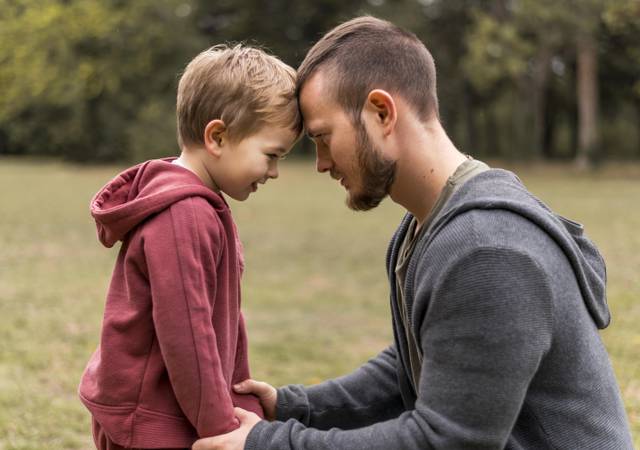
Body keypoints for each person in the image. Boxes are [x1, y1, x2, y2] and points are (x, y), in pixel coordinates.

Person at [193, 16, 634, 450]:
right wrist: (296, 407)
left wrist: (270, 443)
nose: (322, 163)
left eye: (324, 137)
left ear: (381, 112)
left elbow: (448, 440)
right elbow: (413, 364)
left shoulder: (488, 248)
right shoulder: (430, 223)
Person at [78, 44, 301, 449]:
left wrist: (236, 394)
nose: (274, 172)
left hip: (175, 411)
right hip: (152, 421)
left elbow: (217, 314)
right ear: (217, 136)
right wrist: (220, 429)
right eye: (271, 155)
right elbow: (187, 334)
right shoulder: (186, 213)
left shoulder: (198, 204)